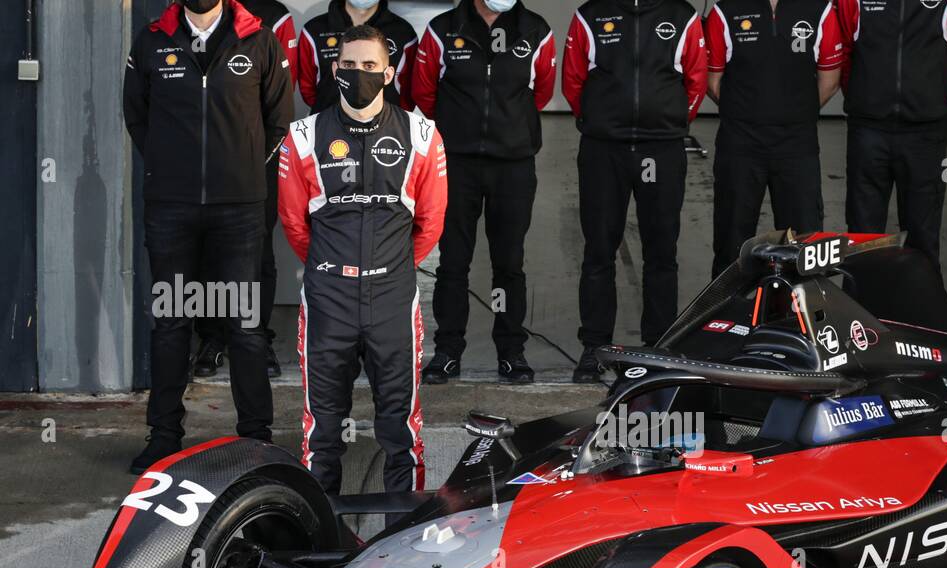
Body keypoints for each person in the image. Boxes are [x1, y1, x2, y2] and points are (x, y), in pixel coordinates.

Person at [122, 0, 292, 474]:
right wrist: (169, 165)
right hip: (170, 209)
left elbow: (280, 118)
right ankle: (164, 437)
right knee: (173, 320)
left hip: (238, 211)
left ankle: (257, 439)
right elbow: (136, 115)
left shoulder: (258, 39)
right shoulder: (152, 39)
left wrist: (240, 173)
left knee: (244, 325)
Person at [279, 24, 448, 494]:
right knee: (321, 432)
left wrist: (387, 269)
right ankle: (319, 536)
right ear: (334, 70)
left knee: (402, 430)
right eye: (349, 65)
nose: (359, 74)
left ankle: (404, 535)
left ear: (389, 72)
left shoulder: (422, 134)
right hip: (328, 296)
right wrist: (334, 268)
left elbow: (430, 223)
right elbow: (294, 223)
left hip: (393, 297)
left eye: (370, 66)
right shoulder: (303, 136)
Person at [562, 0, 708, 382]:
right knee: (598, 251)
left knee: (661, 252)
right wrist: (598, 122)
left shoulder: (683, 16)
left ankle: (659, 346)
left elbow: (696, 80)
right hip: (603, 150)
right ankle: (594, 348)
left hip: (661, 149)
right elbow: (573, 82)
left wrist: (669, 122)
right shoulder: (590, 15)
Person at [413, 0, 556, 386]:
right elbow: (424, 93)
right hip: (457, 164)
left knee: (508, 263)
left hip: (514, 164)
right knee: (453, 262)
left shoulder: (536, 30)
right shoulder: (443, 29)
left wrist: (510, 130)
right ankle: (447, 350)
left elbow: (540, 92)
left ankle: (511, 351)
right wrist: (457, 131)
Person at [194, 0, 300, 380]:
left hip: (256, 161)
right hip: (198, 166)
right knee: (205, 251)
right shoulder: (189, 11)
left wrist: (258, 158)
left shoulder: (274, 16)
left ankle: (257, 338)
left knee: (256, 254)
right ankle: (212, 337)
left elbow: (281, 97)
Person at [703, 1, 846, 279]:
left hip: (797, 145)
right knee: (731, 243)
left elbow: (830, 80)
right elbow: (713, 80)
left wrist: (793, 114)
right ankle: (729, 317)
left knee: (805, 246)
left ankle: (799, 319)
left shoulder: (820, 10)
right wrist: (748, 113)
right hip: (740, 144)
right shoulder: (726, 11)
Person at [836, 0, 947, 269]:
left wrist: (938, 103)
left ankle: (919, 310)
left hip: (924, 136)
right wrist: (861, 99)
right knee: (861, 236)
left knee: (922, 236)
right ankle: (860, 308)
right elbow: (844, 52)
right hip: (868, 132)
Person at [300, 0, 418, 113]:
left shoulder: (404, 33)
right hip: (326, 125)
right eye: (348, 64)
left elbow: (410, 92)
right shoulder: (313, 30)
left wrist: (395, 120)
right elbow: (307, 89)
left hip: (388, 127)